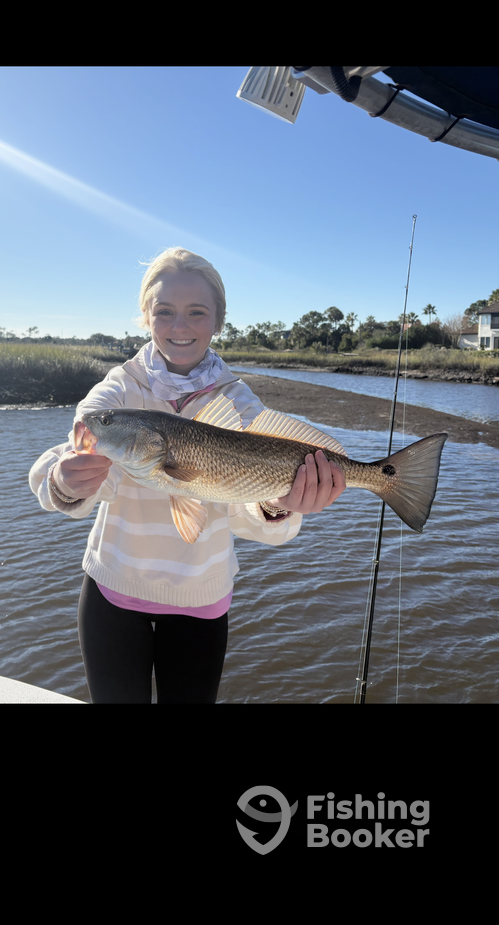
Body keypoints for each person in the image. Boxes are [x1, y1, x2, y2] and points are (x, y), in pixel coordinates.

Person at [29, 248, 346, 703]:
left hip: (201, 601)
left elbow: (245, 512)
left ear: (219, 320)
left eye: (197, 312)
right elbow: (78, 450)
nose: (180, 326)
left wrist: (278, 506)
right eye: (164, 312)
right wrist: (64, 482)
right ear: (146, 316)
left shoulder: (240, 404)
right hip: (112, 594)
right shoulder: (119, 388)